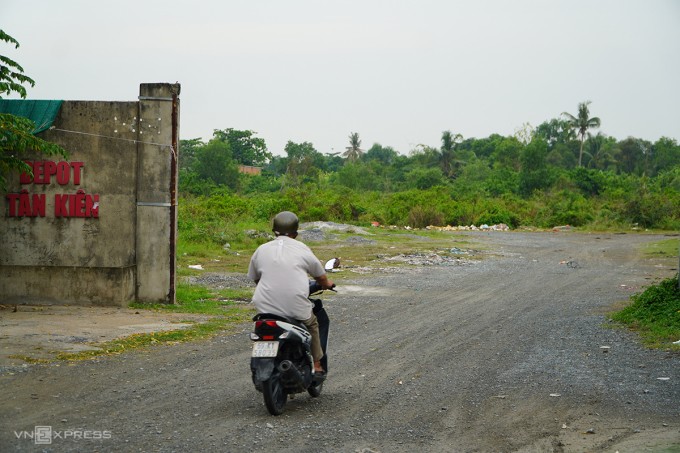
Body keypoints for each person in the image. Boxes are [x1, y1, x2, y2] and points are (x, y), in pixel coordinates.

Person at [247, 211, 334, 376]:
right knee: (313, 325)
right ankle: (317, 365)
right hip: (295, 304)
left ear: (274, 230)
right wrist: (327, 284)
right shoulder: (301, 248)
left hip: (264, 306)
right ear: (295, 232)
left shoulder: (261, 249)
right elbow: (320, 275)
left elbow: (255, 278)